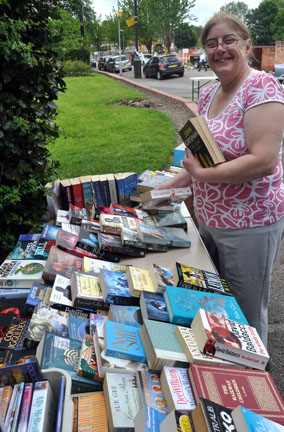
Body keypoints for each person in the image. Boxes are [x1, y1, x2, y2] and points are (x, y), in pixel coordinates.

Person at [155, 11, 284, 347]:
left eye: (229, 40)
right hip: (211, 220)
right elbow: (202, 155)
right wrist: (163, 190)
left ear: (247, 45)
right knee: (217, 307)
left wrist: (201, 175)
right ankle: (221, 372)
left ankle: (256, 390)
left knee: (245, 317)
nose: (220, 49)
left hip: (250, 223)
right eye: (211, 44)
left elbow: (264, 161)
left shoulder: (261, 85)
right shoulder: (210, 93)